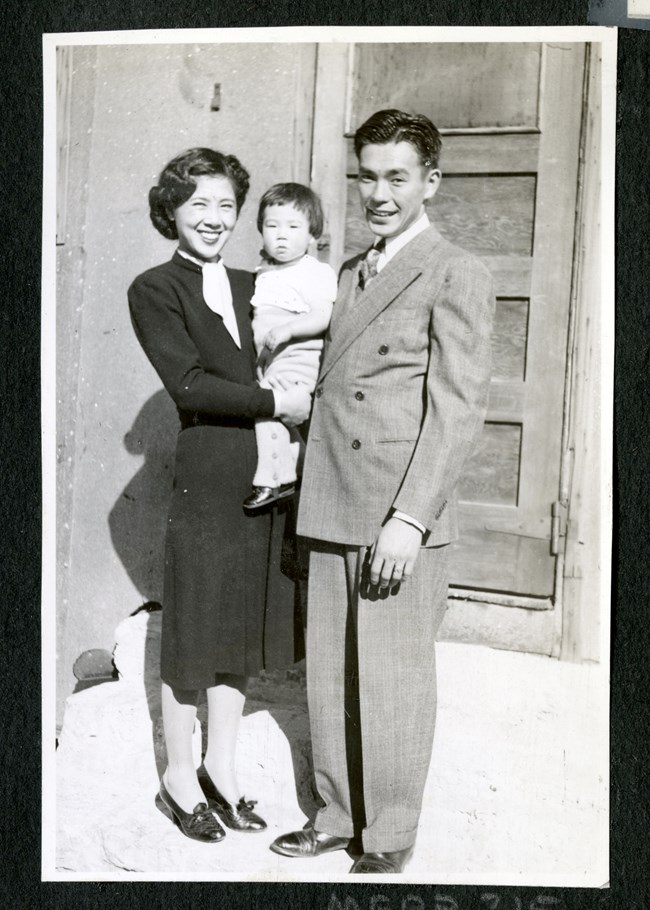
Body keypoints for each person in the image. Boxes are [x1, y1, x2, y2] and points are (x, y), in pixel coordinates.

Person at [271, 110, 495, 873]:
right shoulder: (347, 273)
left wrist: (410, 518)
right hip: (333, 496)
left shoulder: (455, 269)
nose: (379, 192)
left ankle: (390, 834)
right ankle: (337, 812)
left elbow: (458, 409)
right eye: (367, 175)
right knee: (330, 670)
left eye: (397, 177)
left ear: (430, 181)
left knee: (392, 677)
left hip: (397, 507)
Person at [128, 148, 310, 843]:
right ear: (171, 210)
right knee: (195, 630)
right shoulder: (154, 289)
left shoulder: (252, 283)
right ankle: (179, 777)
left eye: (227, 206)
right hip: (207, 475)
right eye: (198, 204)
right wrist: (277, 400)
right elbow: (191, 385)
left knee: (238, 628)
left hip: (264, 477)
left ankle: (222, 771)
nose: (214, 218)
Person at [243, 183, 336, 512]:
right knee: (282, 419)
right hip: (272, 360)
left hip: (298, 357)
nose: (281, 236)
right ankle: (296, 469)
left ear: (312, 235)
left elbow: (323, 315)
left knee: (268, 412)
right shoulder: (266, 272)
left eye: (293, 227)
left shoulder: (314, 271)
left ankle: (269, 480)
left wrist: (288, 329)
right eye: (272, 226)